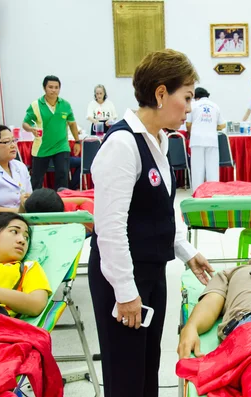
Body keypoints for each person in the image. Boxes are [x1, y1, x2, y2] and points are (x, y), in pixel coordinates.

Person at [87, 49, 213, 397]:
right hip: (123, 277)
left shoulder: (160, 139)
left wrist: (186, 251)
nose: (190, 107)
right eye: (186, 97)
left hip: (152, 271)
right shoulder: (123, 145)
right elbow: (109, 229)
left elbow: (157, 210)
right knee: (125, 375)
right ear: (160, 94)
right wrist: (126, 292)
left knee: (145, 368)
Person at [22, 75, 81, 191]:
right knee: (36, 179)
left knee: (62, 177)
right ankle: (34, 204)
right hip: (42, 147)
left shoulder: (65, 105)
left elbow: (72, 124)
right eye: (50, 87)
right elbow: (25, 123)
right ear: (44, 88)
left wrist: (77, 141)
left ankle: (62, 203)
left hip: (61, 146)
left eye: (56, 87)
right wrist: (31, 129)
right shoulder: (36, 105)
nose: (53, 90)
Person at [186, 87, 226, 192]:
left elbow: (188, 124)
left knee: (197, 168)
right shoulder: (215, 106)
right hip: (212, 140)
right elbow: (222, 125)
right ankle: (213, 192)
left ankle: (197, 192)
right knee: (212, 169)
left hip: (197, 140)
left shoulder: (193, 105)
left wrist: (191, 132)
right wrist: (212, 127)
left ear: (196, 97)